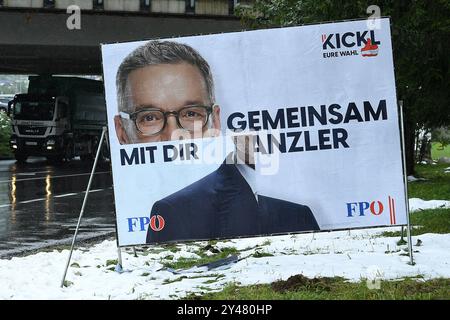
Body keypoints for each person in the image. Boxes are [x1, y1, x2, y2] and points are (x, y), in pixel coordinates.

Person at [114, 40, 319, 243]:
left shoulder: (293, 217)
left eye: (191, 113)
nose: (173, 136)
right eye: (149, 117)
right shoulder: (158, 210)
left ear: (216, 120)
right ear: (122, 132)